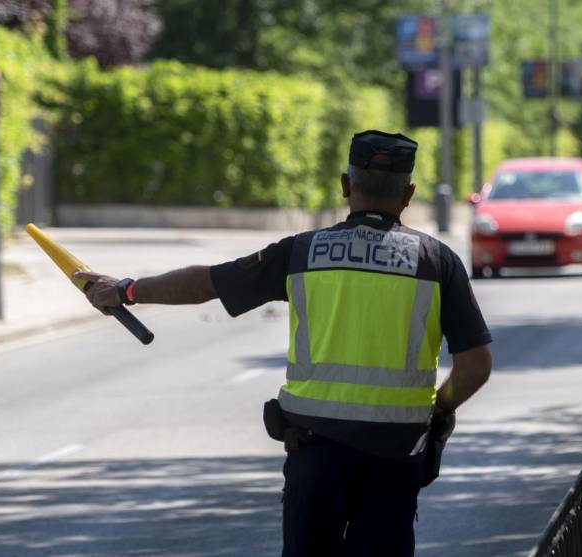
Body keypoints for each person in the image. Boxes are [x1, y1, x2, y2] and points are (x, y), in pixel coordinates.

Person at [75, 130, 492, 557]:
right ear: (408, 194)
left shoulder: (303, 252)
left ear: (346, 186)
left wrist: (126, 290)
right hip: (395, 456)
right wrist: (439, 410)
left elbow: (208, 282)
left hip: (316, 457)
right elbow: (476, 365)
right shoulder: (436, 262)